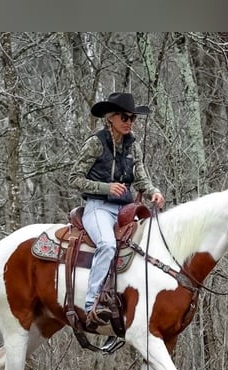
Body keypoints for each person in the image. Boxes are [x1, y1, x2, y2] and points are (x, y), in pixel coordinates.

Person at [69, 92, 166, 329]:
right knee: (108, 245)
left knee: (150, 245)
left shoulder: (133, 145)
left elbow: (141, 177)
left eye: (132, 118)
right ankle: (91, 303)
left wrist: (153, 191)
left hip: (126, 209)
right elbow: (74, 178)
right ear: (110, 117)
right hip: (98, 207)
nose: (129, 122)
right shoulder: (95, 143)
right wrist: (106, 187)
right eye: (124, 117)